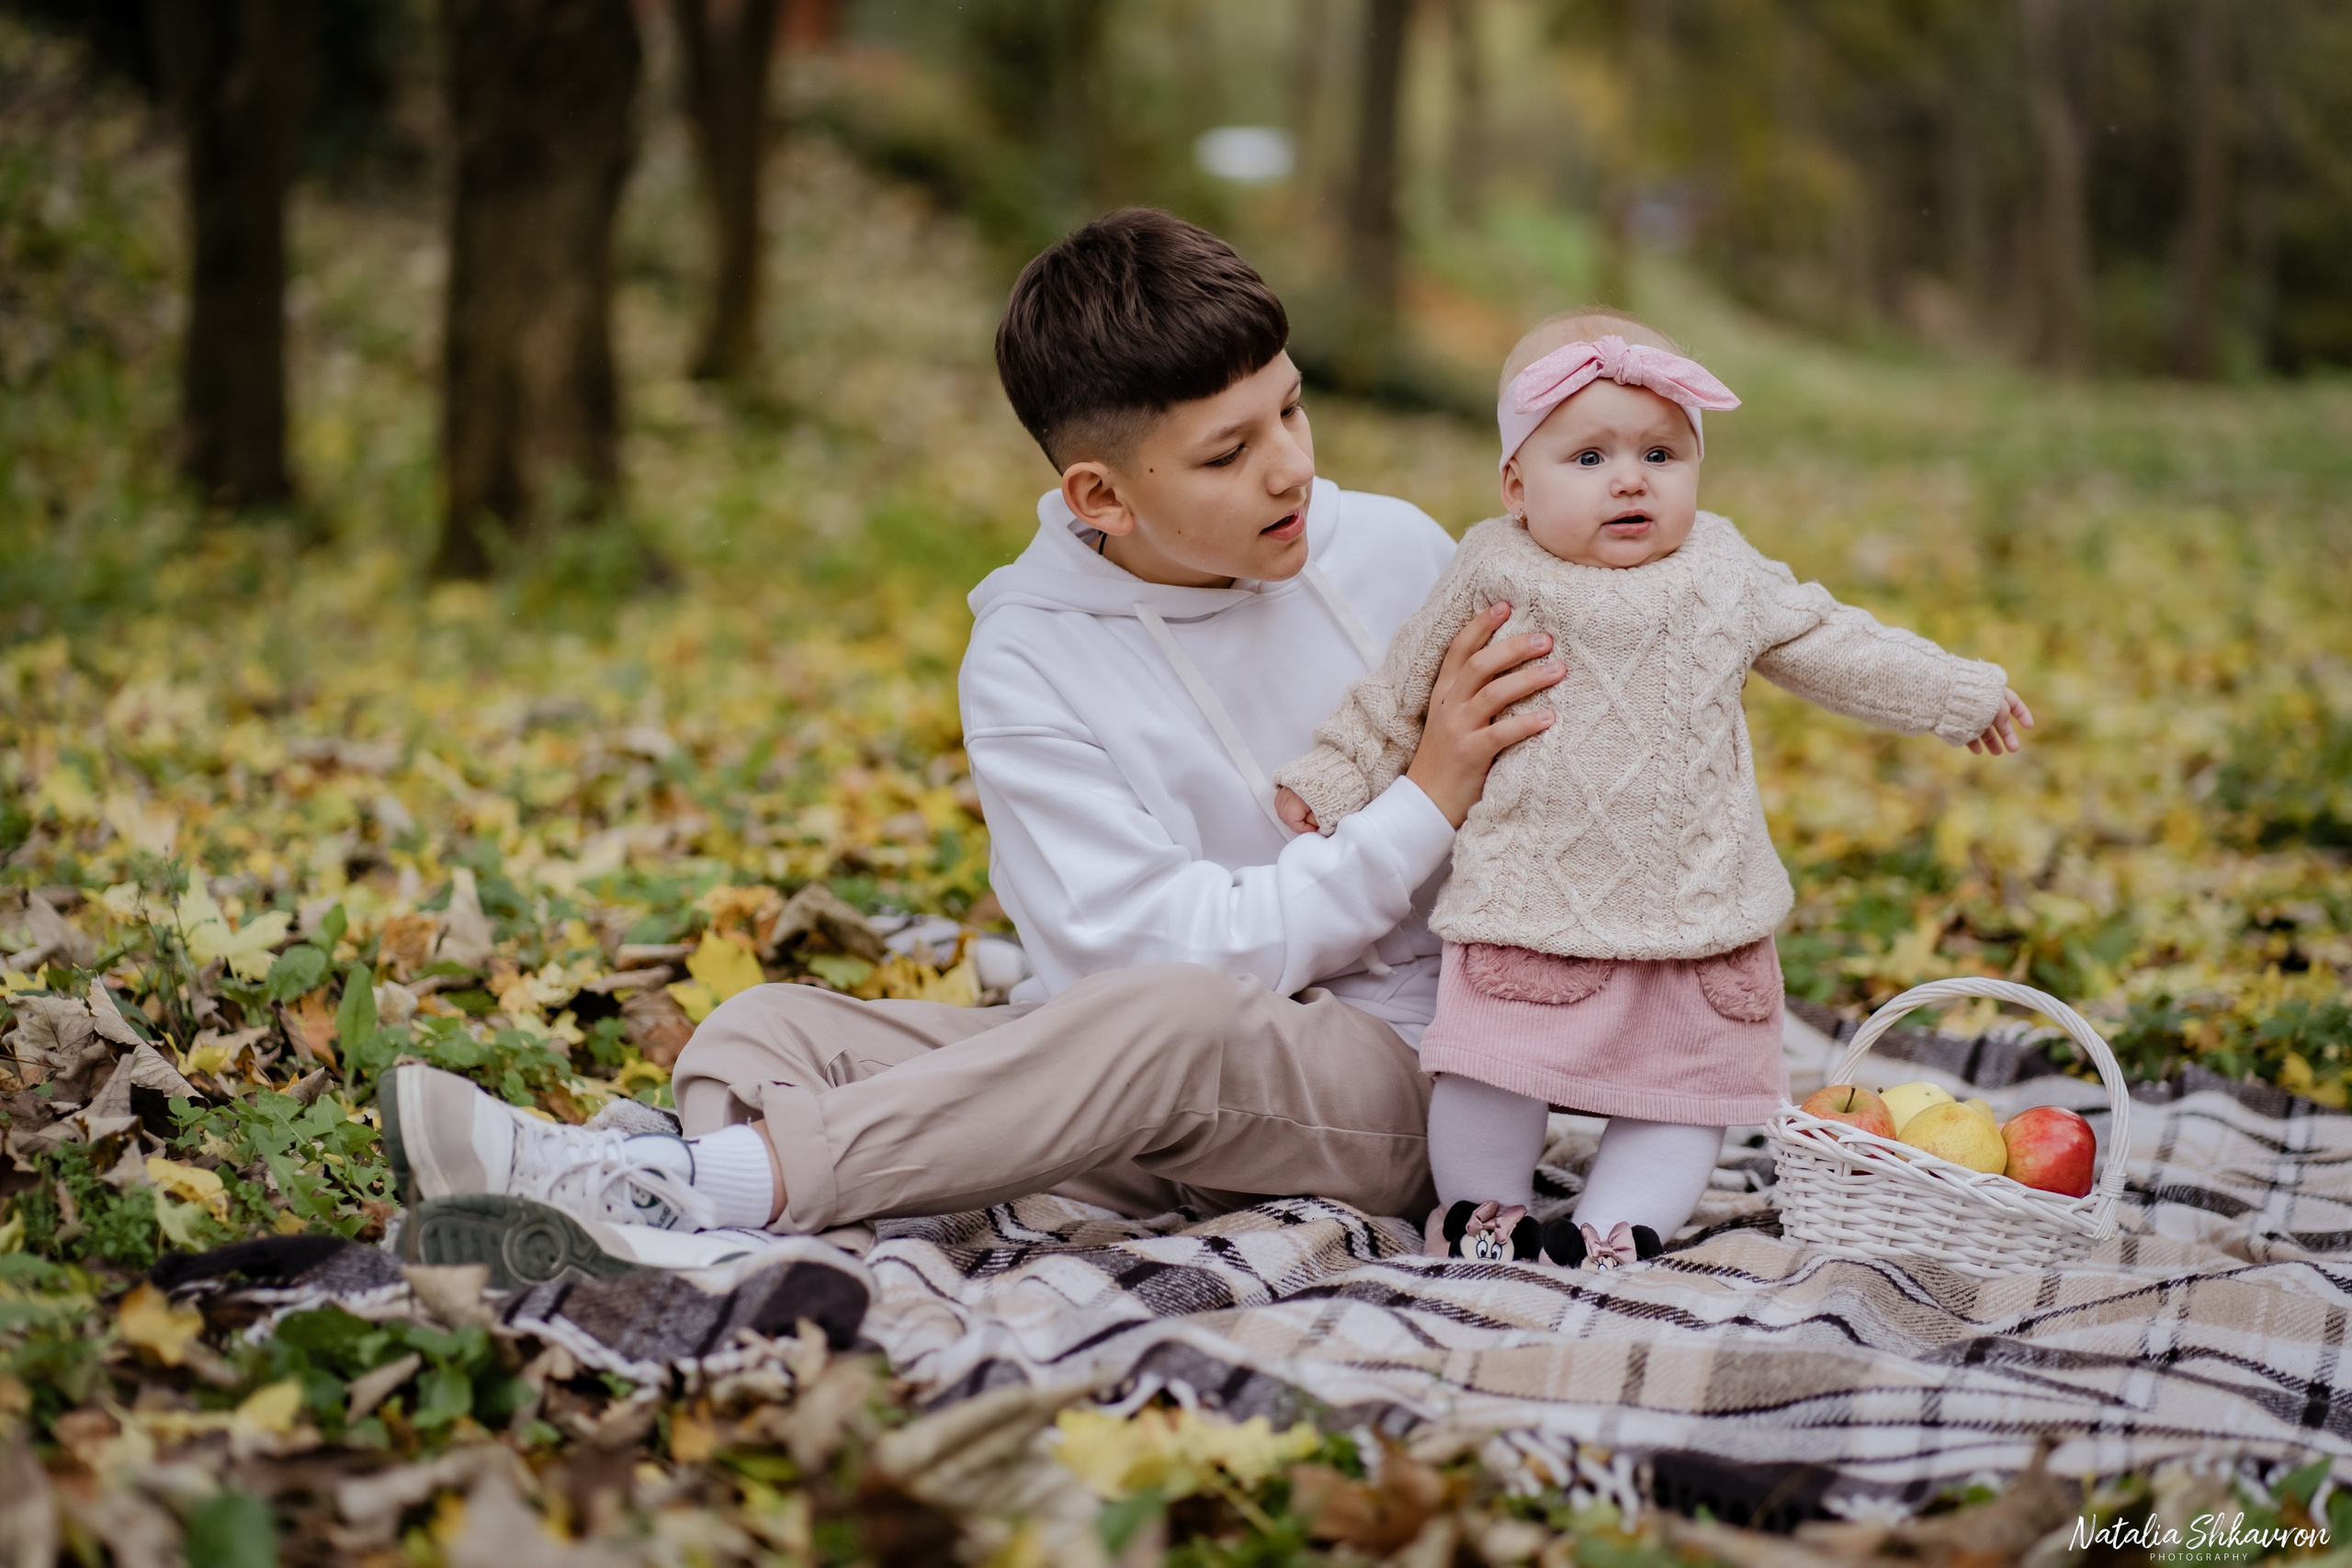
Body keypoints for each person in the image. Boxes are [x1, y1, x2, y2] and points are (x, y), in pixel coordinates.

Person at [378, 209, 1566, 1270]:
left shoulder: (1400, 553)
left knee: (1174, 1020)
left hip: (1423, 1083)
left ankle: (697, 1186)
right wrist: (1422, 797)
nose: (1292, 467)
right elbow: (1126, 961)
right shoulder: (1029, 657)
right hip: (1150, 1084)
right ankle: (671, 1218)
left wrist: (1437, 802)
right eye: (1228, 452)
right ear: (1101, 497)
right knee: (760, 1033)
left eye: (1291, 409)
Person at [1271, 310, 2034, 1269]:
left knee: (1686, 1090)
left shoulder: (1725, 569)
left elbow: (1834, 641)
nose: (1630, 479)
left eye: (1661, 454)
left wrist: (1954, 692)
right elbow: (1406, 685)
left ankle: (1617, 1227)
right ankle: (1481, 1208)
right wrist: (1339, 772)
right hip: (1531, 899)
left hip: (1697, 910)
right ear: (1516, 485)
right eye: (1588, 458)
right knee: (1489, 1066)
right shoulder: (1496, 567)